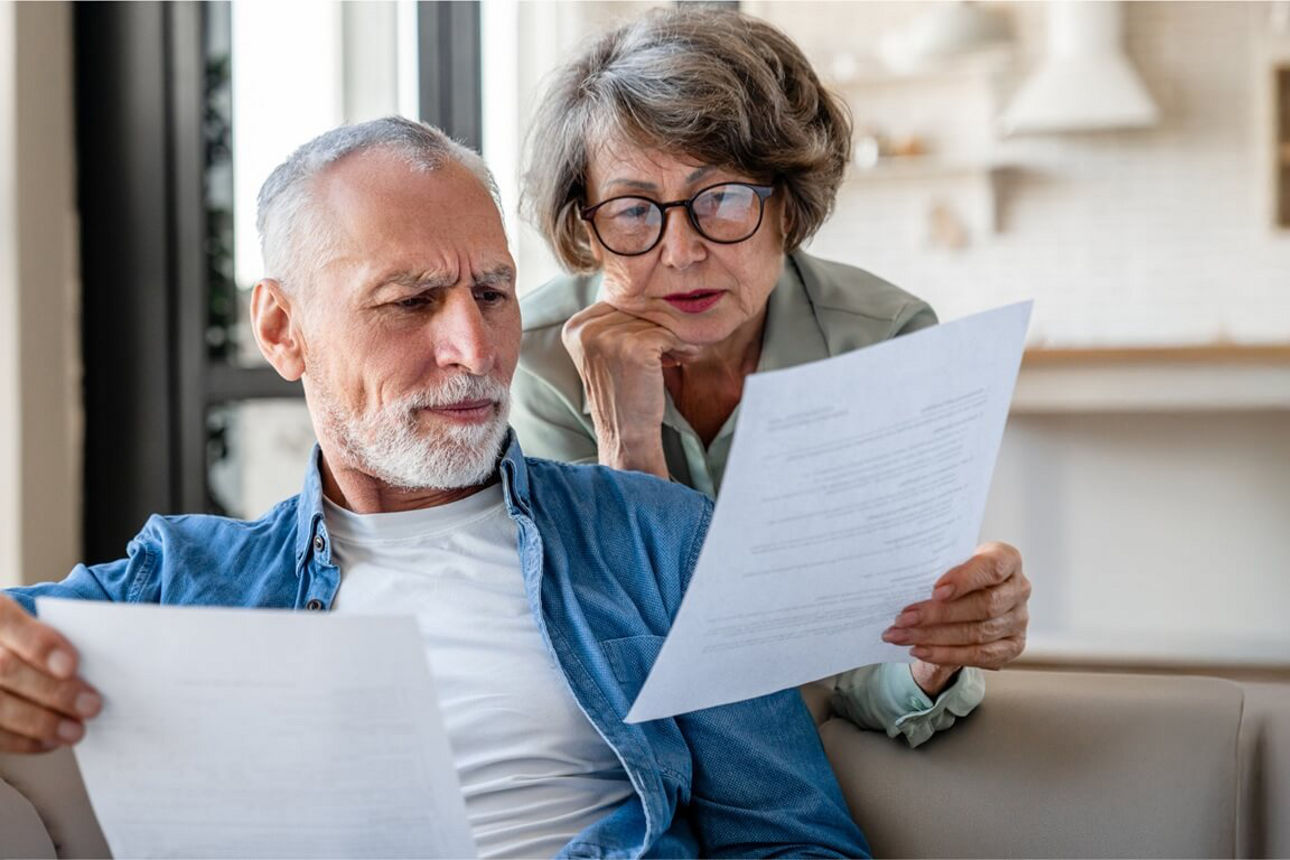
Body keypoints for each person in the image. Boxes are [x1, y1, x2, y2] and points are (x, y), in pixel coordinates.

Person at [0, 118, 868, 858]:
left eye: (492, 292)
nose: (476, 349)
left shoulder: (658, 540)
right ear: (281, 328)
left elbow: (795, 839)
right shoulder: (185, 579)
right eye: (411, 301)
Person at [511, 6, 1030, 746]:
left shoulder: (882, 345)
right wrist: (628, 448)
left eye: (720, 198)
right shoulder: (538, 362)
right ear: (587, 230)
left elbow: (863, 664)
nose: (681, 251)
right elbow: (608, 666)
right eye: (632, 210)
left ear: (787, 204)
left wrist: (934, 655)